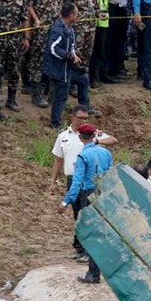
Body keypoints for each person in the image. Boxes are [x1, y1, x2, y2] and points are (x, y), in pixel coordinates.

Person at [51, 107, 115, 259]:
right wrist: (52, 181)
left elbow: (113, 140)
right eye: (81, 118)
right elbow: (58, 160)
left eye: (86, 118)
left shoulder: (92, 134)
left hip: (86, 182)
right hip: (74, 179)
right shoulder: (63, 136)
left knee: (87, 216)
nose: (84, 120)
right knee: (78, 214)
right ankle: (81, 248)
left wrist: (97, 140)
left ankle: (89, 251)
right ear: (73, 117)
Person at [58, 122, 111, 284]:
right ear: (94, 136)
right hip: (104, 194)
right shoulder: (105, 153)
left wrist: (65, 201)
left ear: (80, 137)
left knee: (91, 234)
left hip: (89, 195)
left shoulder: (82, 156)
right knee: (100, 233)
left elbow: (76, 182)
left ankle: (93, 274)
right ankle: (101, 270)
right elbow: (110, 174)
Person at [44, 2, 89, 129]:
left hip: (68, 67)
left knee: (84, 79)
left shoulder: (69, 28)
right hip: (60, 69)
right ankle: (55, 123)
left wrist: (74, 55)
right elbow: (53, 48)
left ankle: (84, 111)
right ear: (71, 15)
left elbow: (72, 45)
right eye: (76, 12)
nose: (78, 14)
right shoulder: (57, 29)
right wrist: (69, 56)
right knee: (61, 96)